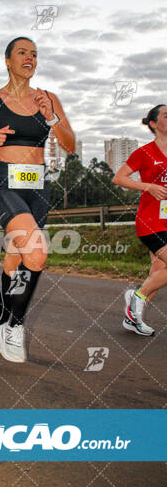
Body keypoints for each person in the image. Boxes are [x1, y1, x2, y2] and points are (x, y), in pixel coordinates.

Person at [0, 37, 75, 362]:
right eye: (22, 53)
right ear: (8, 61)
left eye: (34, 54)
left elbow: (70, 145)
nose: (30, 58)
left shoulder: (47, 99)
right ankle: (14, 326)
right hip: (5, 185)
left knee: (15, 260)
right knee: (36, 254)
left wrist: (51, 117)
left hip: (38, 188)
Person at [113, 104, 167, 336]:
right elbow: (119, 178)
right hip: (150, 221)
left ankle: (133, 317)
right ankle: (137, 297)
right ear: (154, 124)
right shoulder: (144, 153)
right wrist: (148, 186)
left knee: (159, 269)